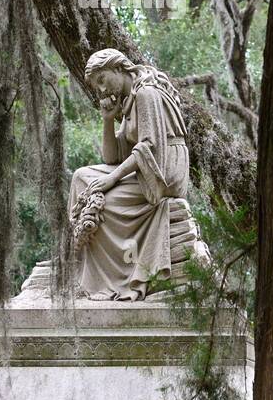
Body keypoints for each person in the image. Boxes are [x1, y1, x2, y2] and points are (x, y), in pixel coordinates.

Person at [69, 48, 210, 301]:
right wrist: (108, 119)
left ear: (119, 68)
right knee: (81, 177)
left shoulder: (146, 93)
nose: (101, 90)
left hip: (164, 172)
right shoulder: (129, 100)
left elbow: (149, 147)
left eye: (102, 79)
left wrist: (111, 179)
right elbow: (112, 159)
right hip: (145, 167)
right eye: (96, 86)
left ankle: (98, 274)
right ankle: (80, 261)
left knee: (106, 201)